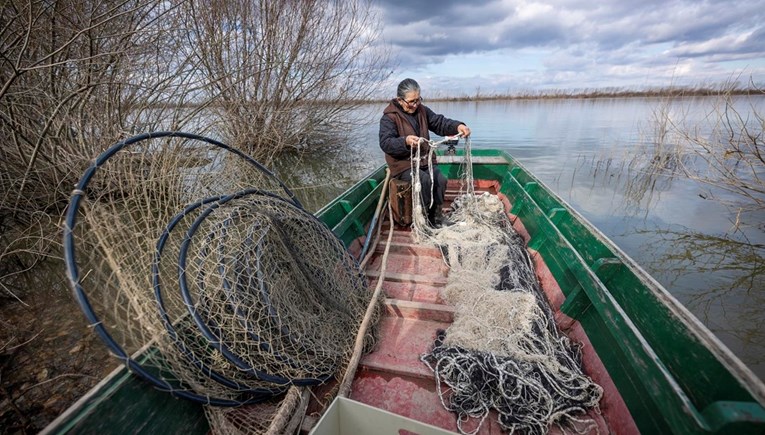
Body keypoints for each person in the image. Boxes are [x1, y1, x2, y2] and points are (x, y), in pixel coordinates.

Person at [379, 78, 471, 226]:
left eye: (418, 100)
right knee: (424, 180)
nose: (415, 105)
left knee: (440, 179)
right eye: (411, 101)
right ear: (400, 100)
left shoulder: (422, 110)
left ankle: (436, 217)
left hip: (424, 161)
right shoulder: (389, 118)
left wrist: (458, 126)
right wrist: (405, 141)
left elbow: (440, 123)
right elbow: (386, 143)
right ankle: (423, 220)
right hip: (403, 165)